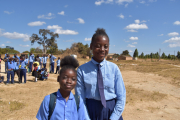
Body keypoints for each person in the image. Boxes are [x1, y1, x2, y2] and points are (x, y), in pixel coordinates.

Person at [75, 28, 126, 120]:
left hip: (112, 111)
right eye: (98, 46)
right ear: (91, 46)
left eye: (105, 46)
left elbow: (121, 96)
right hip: (90, 112)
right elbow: (80, 99)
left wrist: (114, 117)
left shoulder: (114, 69)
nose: (102, 49)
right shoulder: (81, 70)